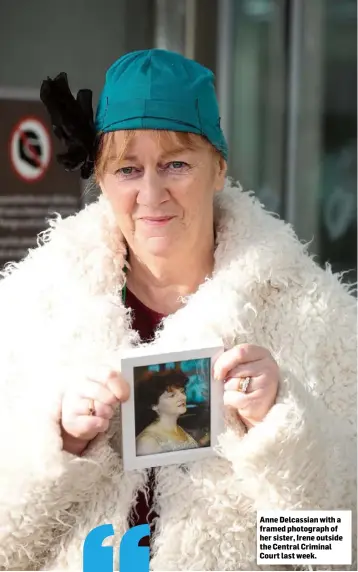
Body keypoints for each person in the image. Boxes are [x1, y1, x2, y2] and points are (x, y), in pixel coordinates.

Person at [0, 49, 355, 571]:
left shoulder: (314, 318)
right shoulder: (32, 310)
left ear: (219, 169)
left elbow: (334, 555)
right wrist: (60, 444)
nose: (151, 193)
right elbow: (8, 549)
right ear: (100, 179)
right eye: (127, 168)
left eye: (176, 164)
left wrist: (278, 430)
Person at [135, 370, 199, 455]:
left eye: (182, 391)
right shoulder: (148, 442)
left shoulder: (180, 429)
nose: (183, 397)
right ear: (154, 405)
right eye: (172, 395)